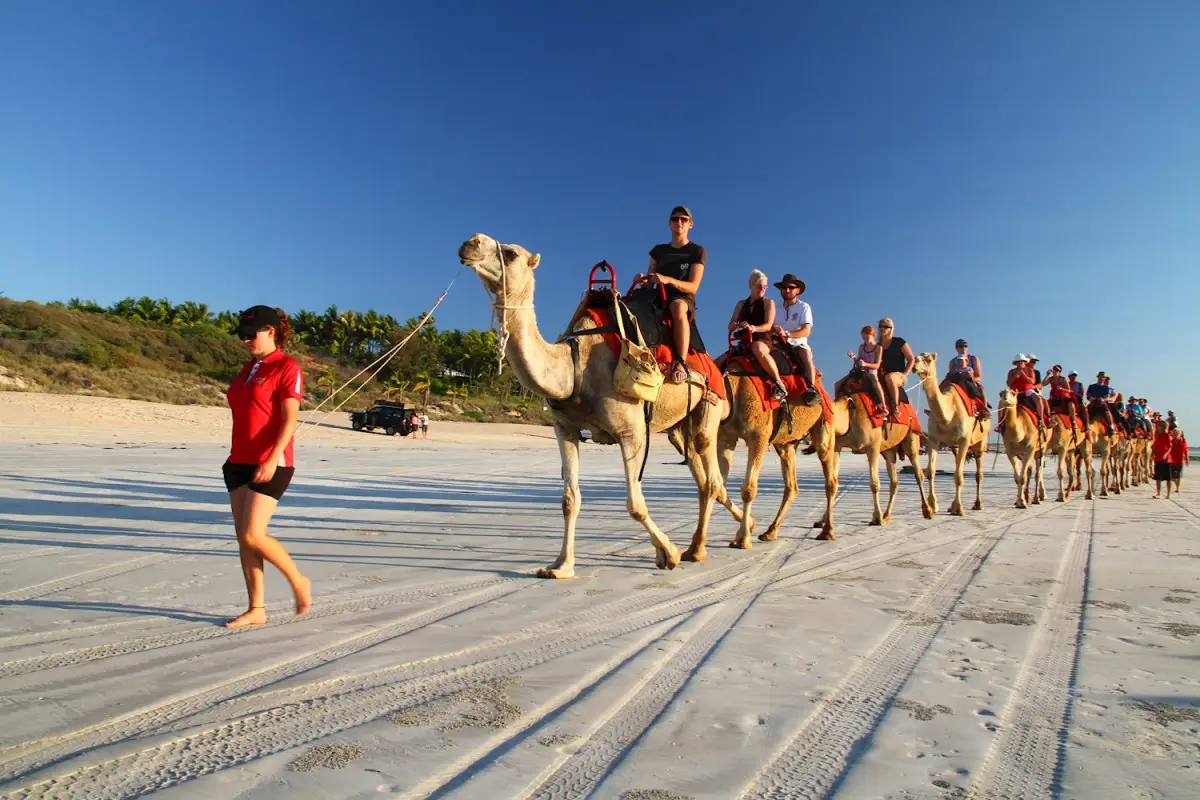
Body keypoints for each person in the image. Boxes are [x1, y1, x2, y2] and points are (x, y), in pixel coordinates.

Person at [223, 305, 312, 628]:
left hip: (272, 462)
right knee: (243, 538)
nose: (245, 340)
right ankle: (256, 608)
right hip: (238, 461)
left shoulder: (286, 367)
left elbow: (290, 420)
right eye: (242, 335)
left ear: (270, 331)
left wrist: (272, 457)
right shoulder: (248, 367)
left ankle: (298, 580)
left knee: (253, 533)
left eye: (251, 335)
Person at [636, 205, 705, 384]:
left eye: (684, 219)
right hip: (656, 296)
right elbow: (650, 281)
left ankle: (681, 362)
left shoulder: (696, 251)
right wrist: (644, 280)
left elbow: (693, 287)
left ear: (691, 224)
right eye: (675, 219)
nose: (679, 222)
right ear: (669, 224)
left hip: (681, 297)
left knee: (678, 307)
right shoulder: (658, 251)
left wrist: (668, 280)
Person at [728, 270, 788, 402]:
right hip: (743, 341)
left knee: (758, 349)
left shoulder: (768, 303)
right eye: (759, 286)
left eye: (765, 286)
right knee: (720, 361)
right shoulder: (741, 304)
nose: (762, 289)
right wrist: (737, 325)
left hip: (762, 339)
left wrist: (753, 328)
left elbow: (768, 325)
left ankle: (779, 383)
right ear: (751, 285)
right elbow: (730, 324)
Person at [772, 272, 820, 406]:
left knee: (805, 355)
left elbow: (806, 330)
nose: (787, 290)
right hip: (777, 343)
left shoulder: (803, 307)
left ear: (797, 290)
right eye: (784, 287)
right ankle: (776, 384)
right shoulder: (776, 309)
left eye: (791, 287)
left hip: (797, 342)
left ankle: (811, 388)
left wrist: (786, 334)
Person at [878, 317, 915, 422]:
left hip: (898, 375)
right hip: (881, 374)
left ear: (891, 328)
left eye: (886, 326)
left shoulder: (899, 342)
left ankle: (895, 408)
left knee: (890, 378)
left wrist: (905, 374)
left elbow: (911, 359)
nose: (882, 328)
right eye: (881, 326)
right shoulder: (877, 346)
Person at [846, 324, 885, 412]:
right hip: (861, 371)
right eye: (863, 338)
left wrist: (865, 364)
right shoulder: (862, 347)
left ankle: (883, 405)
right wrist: (854, 357)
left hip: (872, 371)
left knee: (875, 382)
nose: (865, 340)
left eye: (867, 337)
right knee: (844, 383)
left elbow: (877, 365)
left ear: (872, 335)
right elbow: (858, 362)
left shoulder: (878, 348)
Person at [1006, 354, 1045, 431]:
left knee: (1038, 399)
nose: (1020, 363)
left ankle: (1041, 420)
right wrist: (1015, 376)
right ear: (1016, 363)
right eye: (1018, 362)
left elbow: (1032, 381)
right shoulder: (1011, 371)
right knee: (1003, 401)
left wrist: (1024, 376)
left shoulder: (1030, 370)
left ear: (1025, 362)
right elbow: (1008, 383)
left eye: (1022, 361)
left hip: (1027, 390)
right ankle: (1001, 424)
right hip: (1015, 391)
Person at [942, 338, 986, 405]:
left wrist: (970, 379)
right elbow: (951, 376)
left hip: (970, 382)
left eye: (965, 346)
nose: (963, 348)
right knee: (942, 387)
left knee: (981, 391)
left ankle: (983, 410)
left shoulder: (973, 359)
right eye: (960, 346)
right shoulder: (952, 362)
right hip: (956, 383)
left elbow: (979, 377)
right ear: (956, 348)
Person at [1153, 420, 1173, 498]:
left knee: (1168, 478)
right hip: (1158, 459)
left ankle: (1168, 494)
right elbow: (1154, 445)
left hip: (1166, 460)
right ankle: (1158, 493)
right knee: (1158, 477)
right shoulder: (1157, 436)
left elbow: (1170, 447)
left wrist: (1165, 454)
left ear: (1162, 427)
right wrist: (1153, 453)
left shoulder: (1166, 435)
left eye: (1158, 426)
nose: (1157, 428)